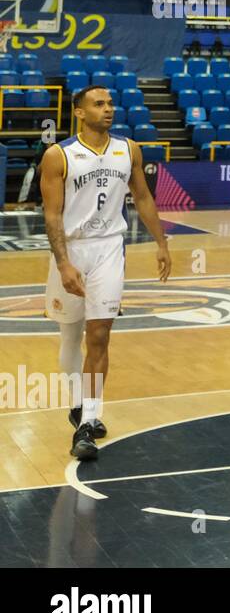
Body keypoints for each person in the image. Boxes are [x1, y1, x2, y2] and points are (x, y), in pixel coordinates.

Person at [41, 85, 173, 461]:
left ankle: (88, 422)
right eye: (99, 104)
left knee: (99, 334)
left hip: (110, 249)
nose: (108, 109)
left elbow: (143, 196)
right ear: (80, 112)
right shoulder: (58, 155)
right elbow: (51, 214)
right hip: (70, 248)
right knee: (70, 334)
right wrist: (64, 262)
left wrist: (161, 242)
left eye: (111, 103)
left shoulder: (128, 148)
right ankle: (78, 403)